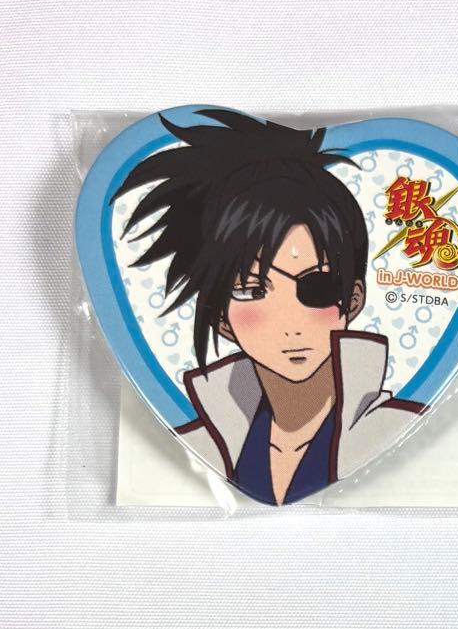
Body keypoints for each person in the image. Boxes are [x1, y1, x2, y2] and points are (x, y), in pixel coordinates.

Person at [112, 109, 423, 504]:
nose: (291, 326)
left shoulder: (393, 425)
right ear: (221, 318)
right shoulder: (206, 435)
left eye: (316, 288)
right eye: (252, 291)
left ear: (353, 300)